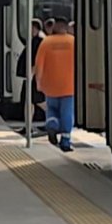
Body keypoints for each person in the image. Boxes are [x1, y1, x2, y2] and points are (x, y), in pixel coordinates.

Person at [34, 17, 76, 152]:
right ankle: (65, 141)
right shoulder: (73, 42)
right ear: (66, 27)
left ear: (54, 27)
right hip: (69, 86)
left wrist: (38, 83)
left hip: (50, 85)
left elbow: (39, 65)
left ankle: (52, 123)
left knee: (51, 109)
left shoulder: (46, 42)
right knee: (67, 113)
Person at [17, 18, 45, 124]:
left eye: (33, 28)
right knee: (29, 102)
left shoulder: (38, 42)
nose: (31, 30)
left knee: (36, 101)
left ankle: (54, 116)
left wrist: (32, 73)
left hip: (33, 77)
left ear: (37, 29)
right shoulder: (33, 40)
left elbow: (37, 59)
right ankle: (28, 125)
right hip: (31, 76)